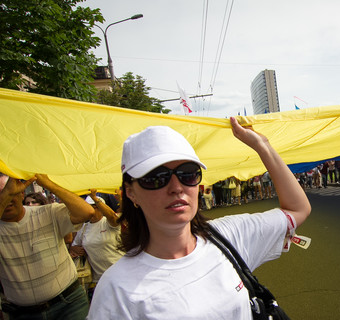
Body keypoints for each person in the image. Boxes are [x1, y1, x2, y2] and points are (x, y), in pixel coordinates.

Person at [88, 118, 311, 319]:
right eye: (156, 178)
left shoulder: (228, 236)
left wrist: (262, 145)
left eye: (188, 174)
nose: (176, 188)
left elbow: (298, 210)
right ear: (130, 192)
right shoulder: (116, 290)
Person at [0, 173, 95, 320]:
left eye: (12, 192)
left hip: (69, 305)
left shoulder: (48, 212)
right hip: (23, 313)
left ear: (21, 193)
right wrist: (7, 193)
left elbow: (87, 212)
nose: (8, 199)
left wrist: (49, 184)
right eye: (2, 194)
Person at [69, 189, 124, 298]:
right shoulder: (84, 228)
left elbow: (112, 217)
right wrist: (74, 249)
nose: (92, 211)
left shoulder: (109, 223)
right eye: (89, 207)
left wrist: (94, 197)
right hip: (99, 280)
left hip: (121, 275)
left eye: (95, 207)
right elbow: (74, 245)